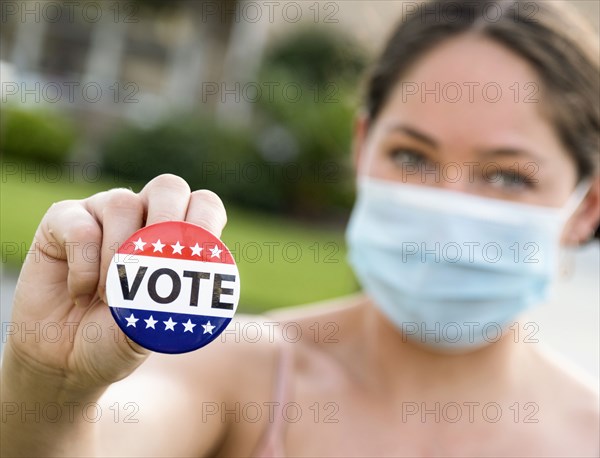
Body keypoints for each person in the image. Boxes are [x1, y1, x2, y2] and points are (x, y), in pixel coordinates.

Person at [2, 1, 599, 456]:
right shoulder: (239, 373)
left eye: (507, 177)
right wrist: (49, 384)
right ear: (364, 149)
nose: (448, 208)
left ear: (587, 206)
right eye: (413, 157)